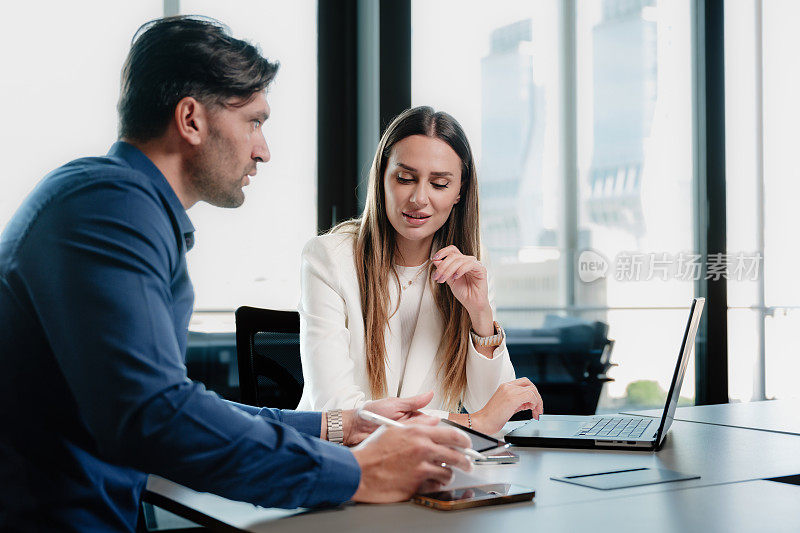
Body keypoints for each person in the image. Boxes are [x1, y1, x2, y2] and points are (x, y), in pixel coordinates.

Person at [0, 17, 473, 532]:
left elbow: (174, 401)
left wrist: (340, 426)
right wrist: (357, 473)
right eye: (253, 121)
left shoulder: (114, 205)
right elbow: (158, 417)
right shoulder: (110, 211)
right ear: (191, 120)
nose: (263, 149)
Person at [297, 106, 544, 435]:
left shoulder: (468, 268)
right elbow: (340, 413)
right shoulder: (329, 258)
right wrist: (471, 423)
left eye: (439, 184)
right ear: (382, 177)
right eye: (404, 179)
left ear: (459, 192)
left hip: (429, 469)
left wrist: (480, 313)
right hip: (342, 465)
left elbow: (493, 410)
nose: (418, 198)